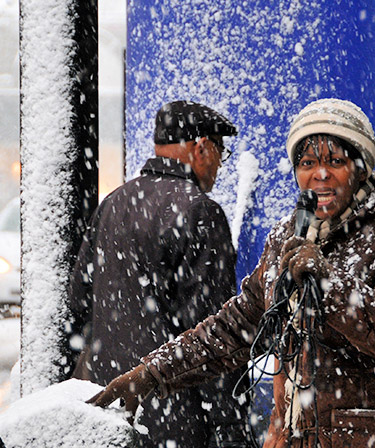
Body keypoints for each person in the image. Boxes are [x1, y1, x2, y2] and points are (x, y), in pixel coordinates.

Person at [87, 98, 375, 448]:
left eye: (335, 161)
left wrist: (329, 286)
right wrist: (151, 374)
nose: (319, 173)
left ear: (362, 167)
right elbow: (233, 328)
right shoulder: (288, 237)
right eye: (306, 163)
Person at [67, 100, 252, 447]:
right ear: (201, 148)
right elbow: (216, 332)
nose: (219, 166)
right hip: (175, 413)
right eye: (219, 153)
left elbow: (78, 300)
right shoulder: (200, 212)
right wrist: (231, 425)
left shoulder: (113, 203)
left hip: (106, 406)